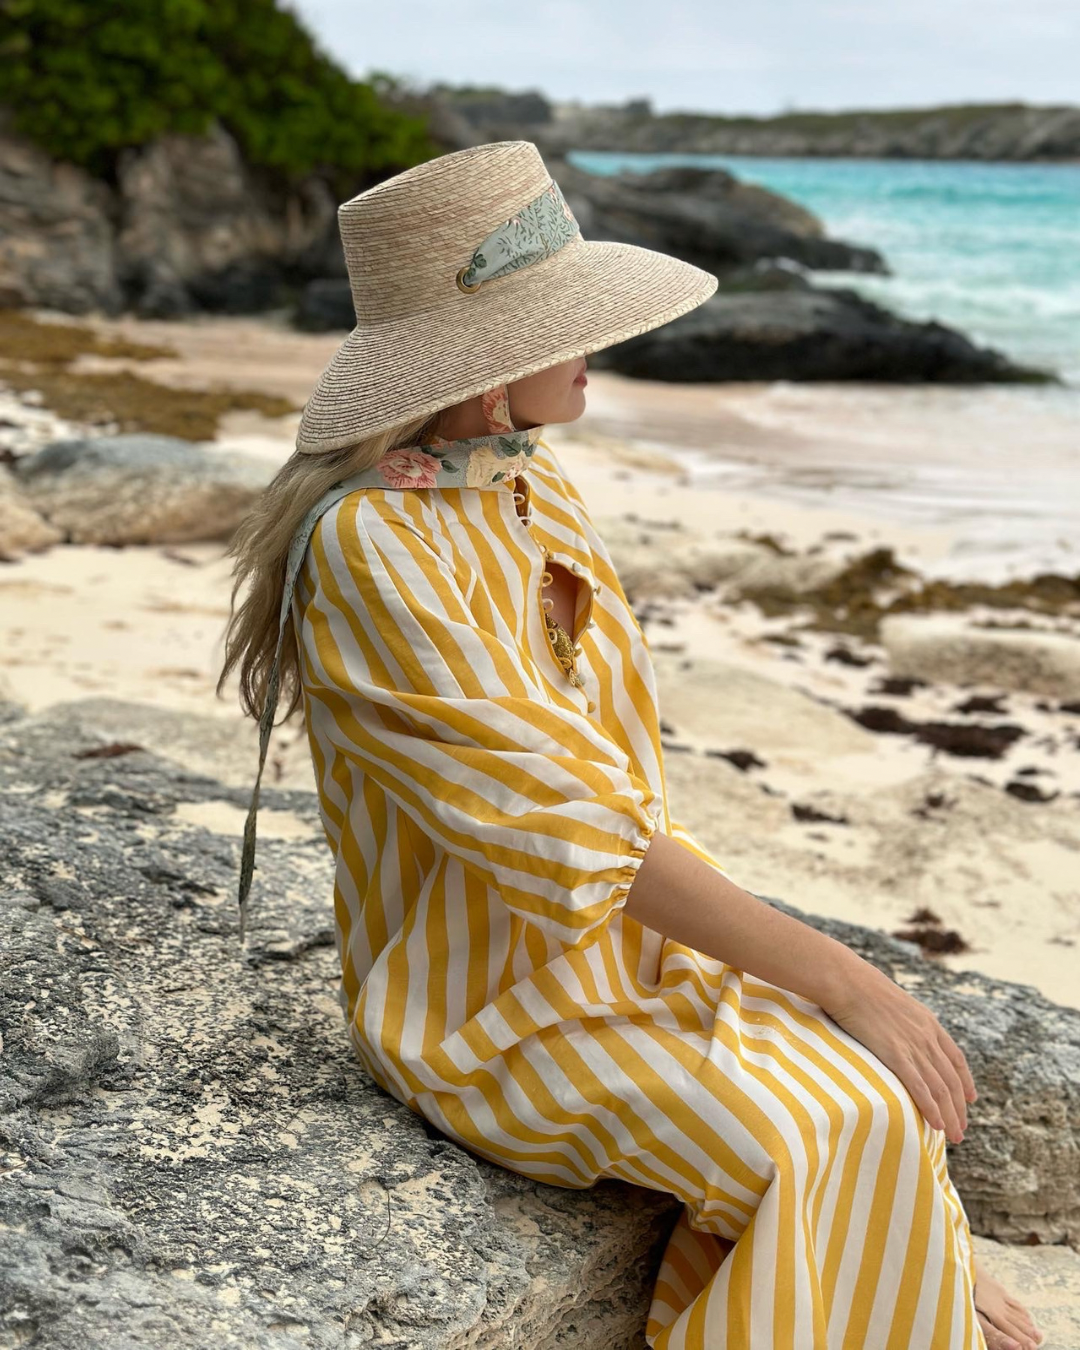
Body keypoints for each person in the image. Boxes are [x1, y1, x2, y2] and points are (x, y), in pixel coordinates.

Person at [218, 140, 1045, 1349]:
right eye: (568, 325)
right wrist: (843, 975)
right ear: (486, 371)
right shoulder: (372, 547)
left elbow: (618, 777)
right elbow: (571, 828)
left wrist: (929, 1234)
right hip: (493, 1009)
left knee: (884, 1097)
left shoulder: (526, 484)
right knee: (828, 1124)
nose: (594, 348)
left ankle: (905, 1276)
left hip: (633, 957)